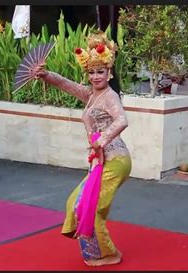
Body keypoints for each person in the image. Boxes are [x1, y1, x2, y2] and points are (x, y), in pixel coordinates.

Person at [33, 32, 132, 266]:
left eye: (100, 71)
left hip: (115, 160)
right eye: (91, 72)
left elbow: (122, 120)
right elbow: (65, 84)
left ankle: (106, 253)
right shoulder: (91, 95)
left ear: (110, 73)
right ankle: (96, 248)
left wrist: (101, 140)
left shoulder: (110, 96)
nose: (95, 76)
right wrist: (45, 75)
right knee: (75, 202)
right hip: (99, 161)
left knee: (88, 207)